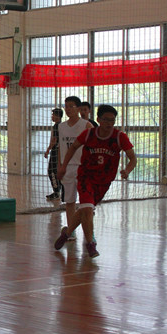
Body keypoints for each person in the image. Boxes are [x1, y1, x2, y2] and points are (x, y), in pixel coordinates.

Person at [54, 104, 137, 258]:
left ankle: (67, 233)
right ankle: (90, 243)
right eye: (106, 120)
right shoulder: (89, 134)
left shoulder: (120, 137)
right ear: (98, 119)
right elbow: (72, 148)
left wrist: (127, 170)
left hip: (104, 181)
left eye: (112, 120)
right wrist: (63, 165)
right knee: (87, 209)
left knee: (85, 210)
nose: (109, 123)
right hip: (85, 177)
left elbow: (133, 158)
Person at [58, 97, 94, 240]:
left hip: (83, 167)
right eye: (66, 106)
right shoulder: (61, 127)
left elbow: (94, 145)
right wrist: (60, 165)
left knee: (86, 204)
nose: (68, 109)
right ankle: (70, 230)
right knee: (69, 201)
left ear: (78, 109)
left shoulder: (86, 125)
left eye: (71, 106)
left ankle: (90, 233)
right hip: (68, 167)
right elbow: (61, 147)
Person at [44, 108, 63, 200]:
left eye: (53, 115)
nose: (52, 116)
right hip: (60, 151)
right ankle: (58, 190)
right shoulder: (62, 126)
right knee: (56, 171)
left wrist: (48, 150)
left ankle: (56, 192)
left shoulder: (56, 126)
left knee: (51, 171)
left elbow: (54, 140)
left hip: (56, 151)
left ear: (58, 116)